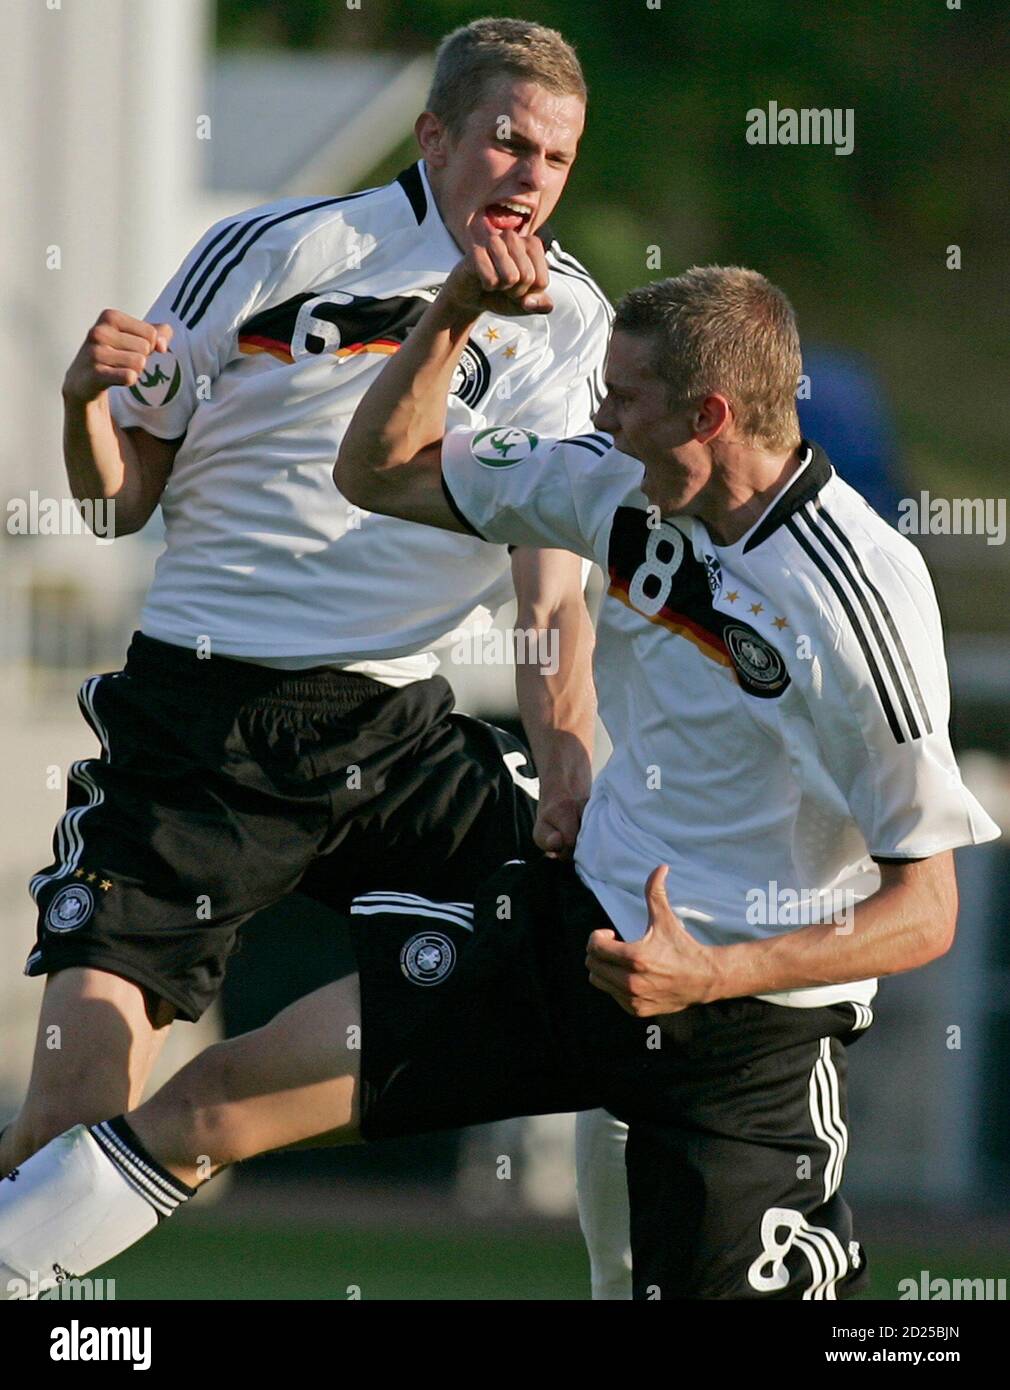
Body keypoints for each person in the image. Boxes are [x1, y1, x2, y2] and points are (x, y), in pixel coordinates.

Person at [8, 241, 996, 1300]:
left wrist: (708, 972)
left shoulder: (854, 601)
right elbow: (376, 467)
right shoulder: (613, 481)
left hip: (742, 1039)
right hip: (569, 942)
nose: (600, 416)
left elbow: (924, 909)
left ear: (706, 416)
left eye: (623, 397)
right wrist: (451, 312)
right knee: (210, 1103)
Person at [1, 18, 631, 1296]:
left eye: (555, 158)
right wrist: (79, 402)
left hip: (398, 730)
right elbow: (121, 502)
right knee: (64, 1127)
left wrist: (570, 762)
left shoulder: (571, 322)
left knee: (624, 948)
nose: (526, 177)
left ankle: (219, 1116)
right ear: (436, 133)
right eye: (507, 139)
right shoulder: (278, 248)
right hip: (200, 724)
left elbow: (551, 594)